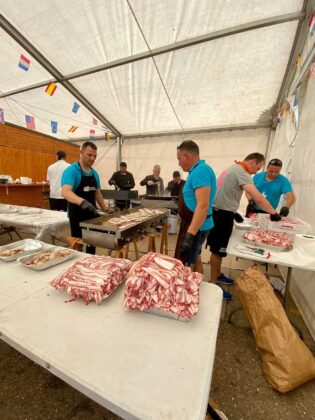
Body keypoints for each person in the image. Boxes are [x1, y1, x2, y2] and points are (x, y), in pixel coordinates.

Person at [206, 153, 281, 300]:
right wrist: (273, 212)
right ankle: (213, 284)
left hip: (221, 212)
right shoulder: (242, 172)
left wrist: (233, 213)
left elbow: (223, 192)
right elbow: (257, 197)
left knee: (219, 250)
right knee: (217, 250)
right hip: (220, 216)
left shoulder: (233, 168)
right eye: (258, 168)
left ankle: (218, 275)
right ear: (253, 162)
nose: (256, 172)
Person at [174, 140, 216, 274]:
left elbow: (202, 206)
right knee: (195, 258)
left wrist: (190, 235)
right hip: (196, 224)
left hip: (196, 226)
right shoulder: (198, 170)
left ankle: (190, 290)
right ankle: (198, 288)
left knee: (187, 266)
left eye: (179, 159)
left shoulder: (201, 171)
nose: (179, 163)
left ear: (186, 156)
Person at [61, 141, 107, 254]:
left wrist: (105, 209)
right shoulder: (72, 170)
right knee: (78, 245)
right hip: (77, 216)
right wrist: (83, 202)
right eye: (89, 155)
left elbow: (97, 193)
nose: (92, 158)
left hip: (92, 215)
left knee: (92, 245)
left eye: (95, 156)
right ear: (81, 153)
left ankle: (90, 265)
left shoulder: (94, 173)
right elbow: (65, 192)